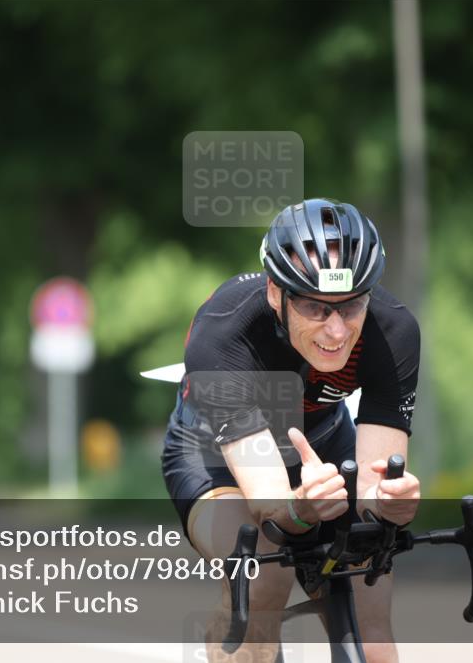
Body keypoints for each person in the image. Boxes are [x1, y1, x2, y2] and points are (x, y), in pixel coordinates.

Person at [161, 199, 421, 663]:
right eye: (315, 307)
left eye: (351, 305)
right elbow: (271, 507)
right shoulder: (224, 332)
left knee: (371, 616)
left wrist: (390, 507)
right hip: (213, 455)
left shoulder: (393, 330)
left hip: (321, 442)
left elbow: (377, 484)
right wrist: (300, 512)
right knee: (263, 576)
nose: (337, 330)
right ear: (276, 293)